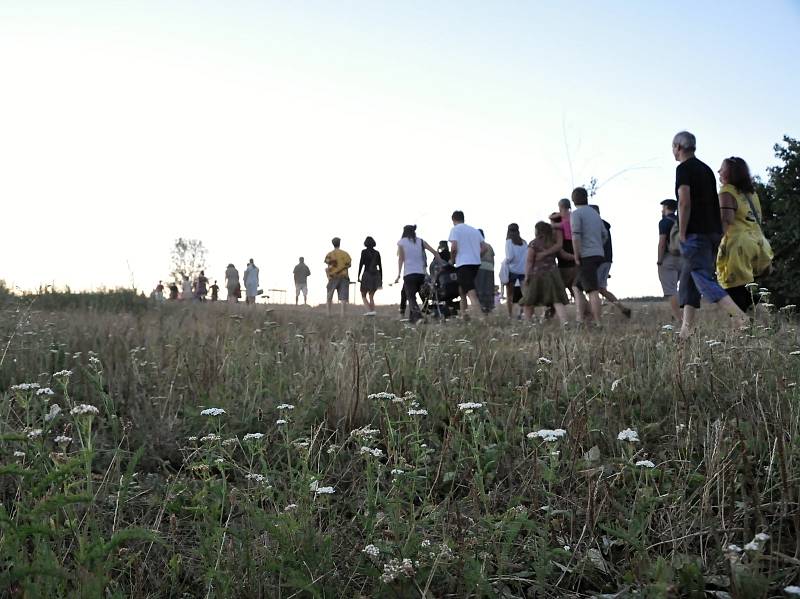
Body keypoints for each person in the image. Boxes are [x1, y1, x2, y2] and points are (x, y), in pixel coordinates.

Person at [672, 131, 748, 338]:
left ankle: (740, 318)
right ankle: (686, 330)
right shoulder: (706, 170)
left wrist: (683, 232)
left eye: (673, 147)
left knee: (704, 279)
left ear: (678, 147)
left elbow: (684, 201)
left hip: (695, 233)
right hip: (712, 232)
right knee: (688, 278)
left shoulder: (683, 169)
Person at [716, 157, 773, 312]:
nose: (718, 171)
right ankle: (768, 324)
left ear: (729, 173)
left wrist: (714, 246)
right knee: (747, 291)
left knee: (734, 294)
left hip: (737, 246)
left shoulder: (727, 191)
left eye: (722, 168)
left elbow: (725, 221)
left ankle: (741, 329)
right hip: (757, 243)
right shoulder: (751, 193)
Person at [570, 187, 608, 325]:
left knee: (592, 289)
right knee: (576, 286)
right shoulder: (594, 213)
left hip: (585, 255)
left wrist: (576, 254)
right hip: (598, 254)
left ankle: (598, 323)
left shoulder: (576, 214)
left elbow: (576, 235)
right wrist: (597, 246)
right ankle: (581, 319)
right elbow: (604, 234)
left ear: (573, 200)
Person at [520, 221, 570, 324]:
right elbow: (563, 255)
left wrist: (526, 276)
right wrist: (577, 258)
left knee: (529, 301)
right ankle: (564, 322)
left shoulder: (534, 243)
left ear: (537, 231)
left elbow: (529, 261)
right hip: (553, 274)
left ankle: (528, 323)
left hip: (537, 275)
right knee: (557, 300)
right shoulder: (553, 243)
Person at [590, 205, 632, 318]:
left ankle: (593, 316)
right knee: (601, 289)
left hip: (600, 260)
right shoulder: (604, 226)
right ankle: (623, 309)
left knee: (593, 289)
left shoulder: (597, 226)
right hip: (607, 260)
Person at [395, 225, 439, 323]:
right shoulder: (421, 241)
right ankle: (417, 317)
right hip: (421, 273)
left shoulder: (401, 242)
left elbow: (401, 259)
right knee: (421, 294)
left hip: (409, 273)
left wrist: (398, 274)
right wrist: (440, 263)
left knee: (411, 296)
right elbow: (435, 252)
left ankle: (418, 316)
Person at [448, 211, 486, 318]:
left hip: (463, 264)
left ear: (453, 220)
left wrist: (452, 260)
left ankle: (481, 318)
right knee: (462, 290)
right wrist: (476, 255)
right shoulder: (474, 230)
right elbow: (484, 248)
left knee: (470, 291)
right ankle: (463, 315)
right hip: (475, 264)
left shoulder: (455, 230)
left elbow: (454, 247)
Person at [657, 199, 683, 321]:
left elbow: (662, 243)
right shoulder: (681, 220)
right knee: (678, 288)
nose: (662, 210)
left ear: (667, 207)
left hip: (669, 257)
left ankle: (679, 319)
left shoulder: (664, 222)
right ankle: (677, 314)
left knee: (670, 290)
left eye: (663, 207)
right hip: (683, 257)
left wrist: (659, 260)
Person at [504, 223, 528, 318]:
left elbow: (510, 257)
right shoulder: (524, 242)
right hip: (523, 270)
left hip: (512, 270)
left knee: (509, 295)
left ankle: (510, 315)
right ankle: (522, 312)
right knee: (525, 294)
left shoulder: (509, 242)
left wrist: (505, 262)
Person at [324, 237, 351, 316]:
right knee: (343, 298)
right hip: (343, 277)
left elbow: (327, 263)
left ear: (333, 243)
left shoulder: (329, 254)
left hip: (332, 277)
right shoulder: (345, 254)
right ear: (340, 243)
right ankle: (343, 315)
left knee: (329, 296)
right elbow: (349, 265)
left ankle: (328, 314)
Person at [358, 237, 382, 315]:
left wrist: (358, 275)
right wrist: (381, 278)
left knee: (363, 293)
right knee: (371, 295)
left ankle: (369, 311)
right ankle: (372, 312)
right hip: (376, 275)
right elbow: (380, 266)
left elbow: (361, 264)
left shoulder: (363, 252)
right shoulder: (377, 253)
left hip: (367, 274)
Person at [477, 229, 495, 313]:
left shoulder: (476, 246)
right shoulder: (489, 246)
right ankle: (489, 308)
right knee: (488, 290)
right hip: (490, 269)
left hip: (480, 268)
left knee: (480, 290)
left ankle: (482, 309)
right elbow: (493, 259)